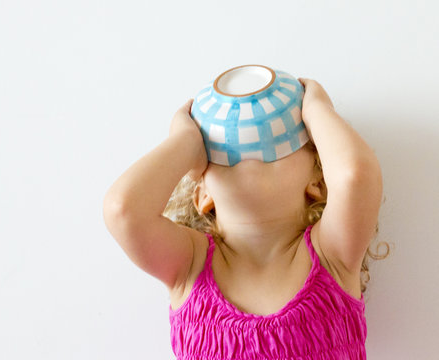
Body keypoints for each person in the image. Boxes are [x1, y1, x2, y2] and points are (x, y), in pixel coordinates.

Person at [103, 78, 390, 359]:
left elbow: (355, 177)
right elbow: (123, 210)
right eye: (220, 151)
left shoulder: (332, 255)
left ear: (317, 181)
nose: (246, 145)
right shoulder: (189, 264)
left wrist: (316, 109)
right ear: (203, 195)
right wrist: (186, 141)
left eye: (273, 137)